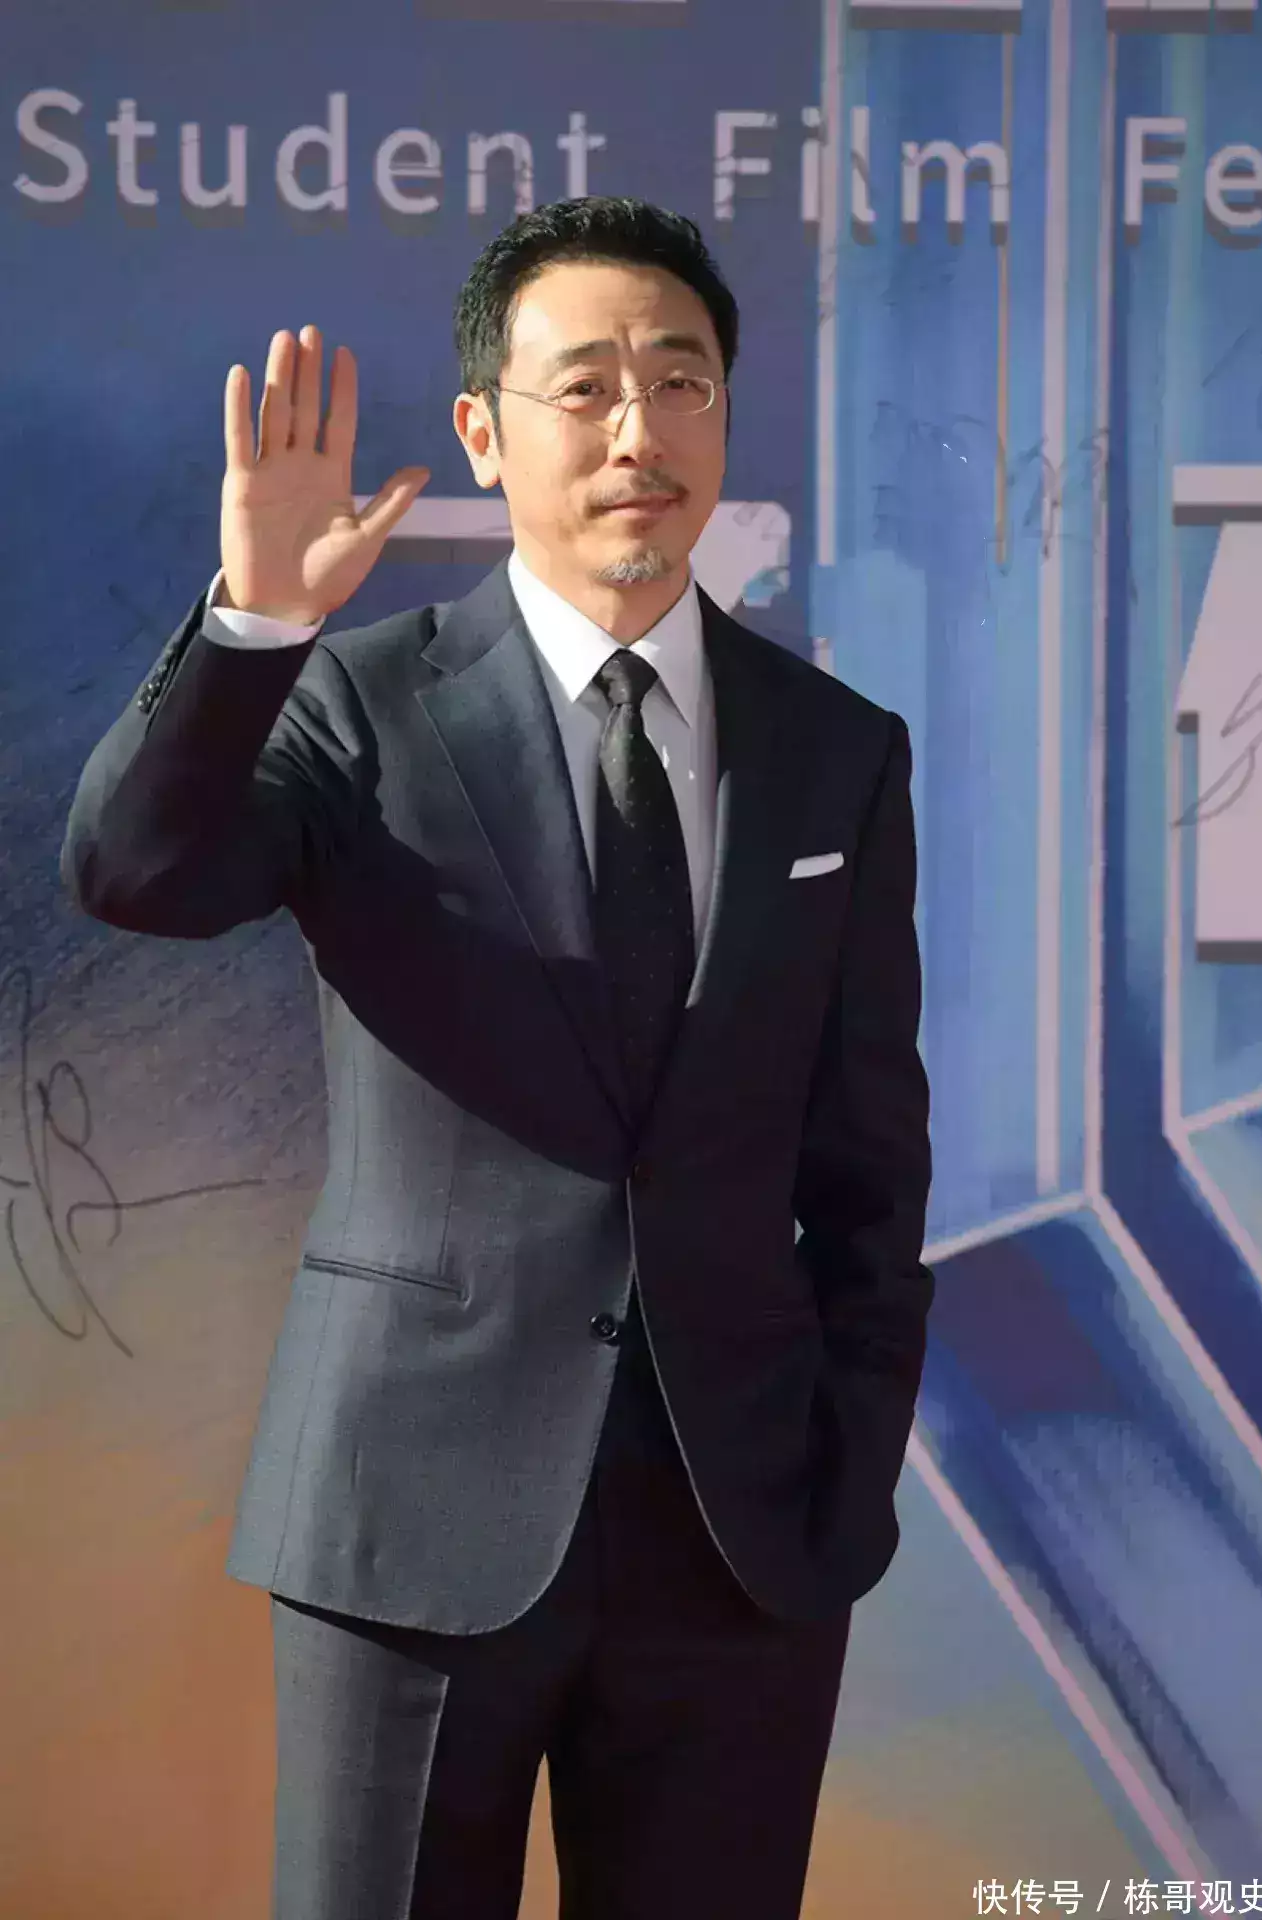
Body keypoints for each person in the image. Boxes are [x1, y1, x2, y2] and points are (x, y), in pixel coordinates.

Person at [62, 195, 934, 1920]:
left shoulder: (837, 749)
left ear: (726, 415)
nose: (637, 430)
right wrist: (253, 628)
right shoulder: (358, 704)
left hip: (742, 1545)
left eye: (680, 382)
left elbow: (870, 1161)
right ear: (484, 429)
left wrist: (844, 1476)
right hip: (409, 1520)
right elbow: (135, 874)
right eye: (586, 385)